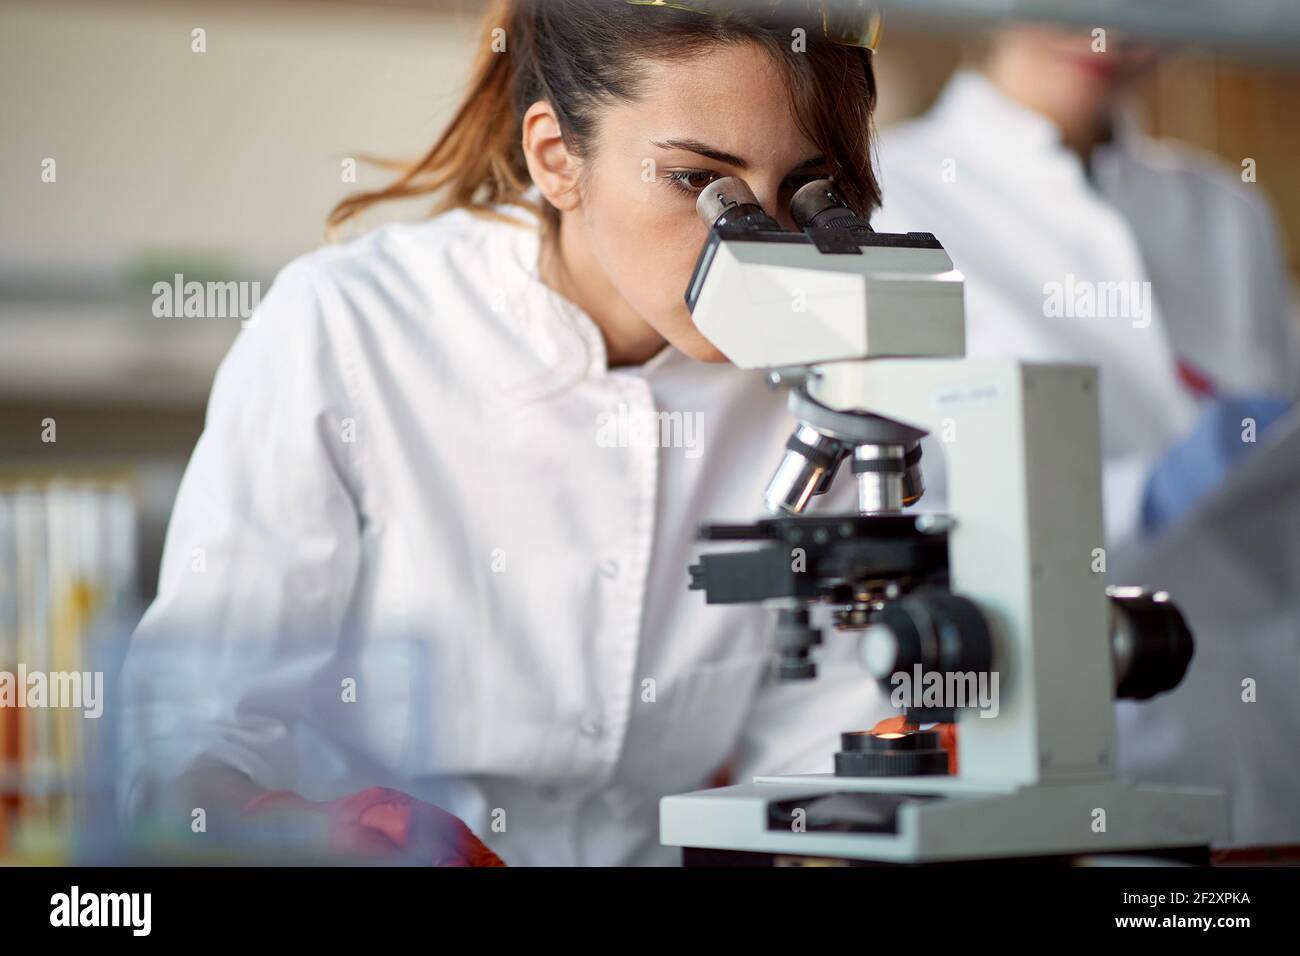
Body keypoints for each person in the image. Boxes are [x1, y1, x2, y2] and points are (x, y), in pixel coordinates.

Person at [118, 0, 897, 866]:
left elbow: (821, 759)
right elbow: (191, 740)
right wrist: (299, 829)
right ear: (558, 158)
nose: (759, 245)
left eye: (804, 192)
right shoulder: (347, 328)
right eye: (698, 183)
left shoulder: (823, 377)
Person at [874, 26, 1300, 846]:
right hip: (1081, 735)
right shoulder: (896, 197)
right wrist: (1152, 494)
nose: (1110, 28)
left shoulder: (1224, 208)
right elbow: (918, 521)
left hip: (1269, 737)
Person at [873, 26, 1299, 555]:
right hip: (1049, 633)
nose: (1109, 35)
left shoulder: (1230, 212)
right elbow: (897, 519)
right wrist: (1141, 500)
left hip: (1257, 634)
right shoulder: (884, 198)